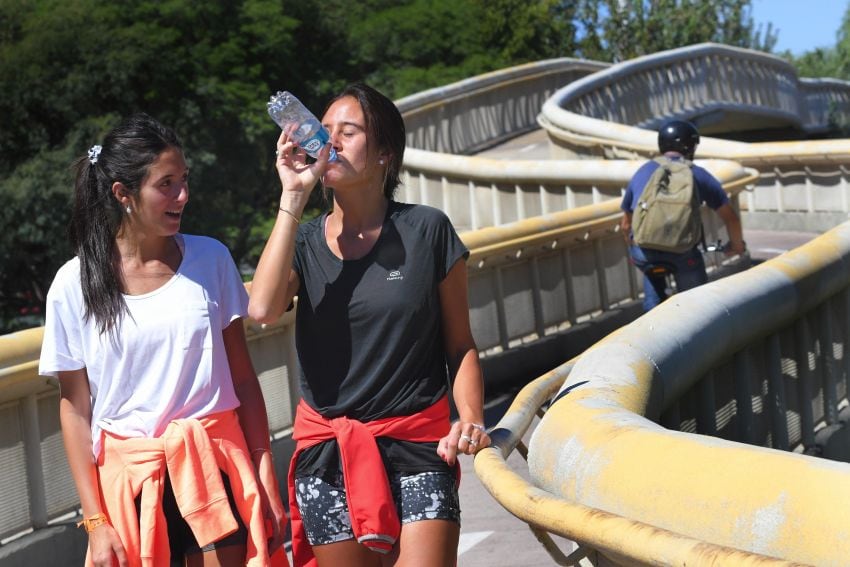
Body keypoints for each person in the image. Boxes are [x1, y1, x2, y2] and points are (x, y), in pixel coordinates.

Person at [248, 82, 490, 567]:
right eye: (324, 130)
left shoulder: (428, 230)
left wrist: (471, 418)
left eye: (348, 132)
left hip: (418, 445)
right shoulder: (305, 240)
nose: (329, 142)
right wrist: (292, 197)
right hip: (327, 454)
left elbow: (459, 344)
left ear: (385, 154)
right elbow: (262, 310)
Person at [38, 114, 288, 567]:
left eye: (185, 181)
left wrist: (264, 469)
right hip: (133, 482)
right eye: (166, 184)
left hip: (214, 464)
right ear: (123, 194)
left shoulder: (211, 258)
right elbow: (75, 408)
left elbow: (244, 380)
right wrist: (95, 522)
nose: (182, 196)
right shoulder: (73, 284)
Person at [620, 119, 746, 311]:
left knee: (649, 269)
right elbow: (730, 218)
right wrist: (737, 246)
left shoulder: (644, 171)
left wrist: (635, 246)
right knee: (696, 305)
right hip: (682, 253)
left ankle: (651, 324)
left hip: (644, 253)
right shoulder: (698, 174)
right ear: (689, 146)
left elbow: (626, 224)